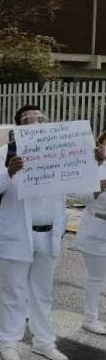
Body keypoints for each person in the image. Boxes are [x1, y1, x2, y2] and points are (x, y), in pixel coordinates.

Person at [0, 105, 102, 360]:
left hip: (48, 233)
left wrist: (95, 163)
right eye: (28, 120)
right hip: (16, 234)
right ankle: (9, 341)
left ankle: (43, 341)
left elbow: (81, 189)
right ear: (18, 126)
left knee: (42, 292)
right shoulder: (6, 153)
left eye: (40, 118)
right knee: (14, 291)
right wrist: (9, 171)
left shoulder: (59, 153)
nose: (35, 122)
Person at [73, 130, 106, 336]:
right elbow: (79, 196)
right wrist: (98, 189)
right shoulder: (92, 167)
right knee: (96, 277)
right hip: (95, 229)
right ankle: (90, 319)